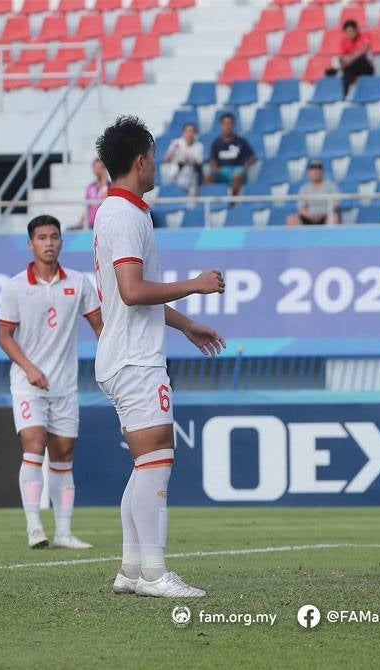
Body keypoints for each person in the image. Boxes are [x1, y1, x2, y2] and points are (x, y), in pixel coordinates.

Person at [94, 115, 226, 598]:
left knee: (146, 463)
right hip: (135, 358)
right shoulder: (126, 216)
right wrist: (195, 284)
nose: (155, 165)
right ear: (140, 161)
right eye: (152, 156)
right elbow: (132, 291)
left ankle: (132, 569)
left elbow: (129, 293)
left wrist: (186, 324)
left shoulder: (118, 211)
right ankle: (154, 573)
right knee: (157, 462)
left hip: (124, 352)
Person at [0, 214, 103, 550]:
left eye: (54, 237)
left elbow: (99, 326)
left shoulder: (79, 283)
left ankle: (64, 532)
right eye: (42, 237)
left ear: (61, 241)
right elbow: (4, 336)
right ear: (31, 244)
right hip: (27, 384)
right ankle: (34, 527)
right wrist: (29, 368)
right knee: (34, 445)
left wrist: (111, 359)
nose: (49, 243)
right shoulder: (15, 286)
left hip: (65, 385)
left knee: (63, 454)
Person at [204, 113, 256, 197]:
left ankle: (232, 201)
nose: (227, 126)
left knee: (237, 175)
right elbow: (212, 159)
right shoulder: (216, 142)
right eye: (225, 124)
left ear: (233, 125)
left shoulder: (241, 141)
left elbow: (253, 157)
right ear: (221, 126)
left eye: (229, 123)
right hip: (222, 171)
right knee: (207, 176)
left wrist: (247, 164)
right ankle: (216, 199)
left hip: (237, 169)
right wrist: (215, 168)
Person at [286, 159, 341, 226]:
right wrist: (310, 215)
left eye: (318, 169)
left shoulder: (331, 186)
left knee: (334, 218)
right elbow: (300, 207)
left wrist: (323, 214)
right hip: (308, 218)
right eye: (312, 169)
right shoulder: (304, 188)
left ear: (322, 171)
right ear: (308, 172)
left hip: (325, 216)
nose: (315, 171)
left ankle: (330, 233)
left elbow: (336, 204)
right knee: (291, 219)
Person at [162, 122, 203, 196]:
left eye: (192, 131)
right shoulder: (176, 143)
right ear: (183, 133)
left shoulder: (199, 146)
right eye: (188, 131)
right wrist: (173, 150)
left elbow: (199, 165)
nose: (190, 134)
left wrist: (190, 161)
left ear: (195, 133)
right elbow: (166, 160)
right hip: (176, 173)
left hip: (191, 174)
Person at [338, 19, 374, 98]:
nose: (349, 33)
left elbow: (365, 48)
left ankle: (365, 92)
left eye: (351, 31)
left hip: (366, 67)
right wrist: (346, 59)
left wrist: (351, 58)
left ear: (356, 30)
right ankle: (344, 96)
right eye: (347, 32)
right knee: (345, 69)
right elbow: (342, 56)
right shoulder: (344, 41)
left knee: (360, 58)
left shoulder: (365, 35)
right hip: (352, 67)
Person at [84, 158, 109, 229]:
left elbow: (105, 199)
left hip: (104, 222)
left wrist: (104, 181)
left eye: (100, 167)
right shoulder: (90, 187)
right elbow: (87, 206)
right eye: (96, 168)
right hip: (91, 223)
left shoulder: (110, 186)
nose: (98, 170)